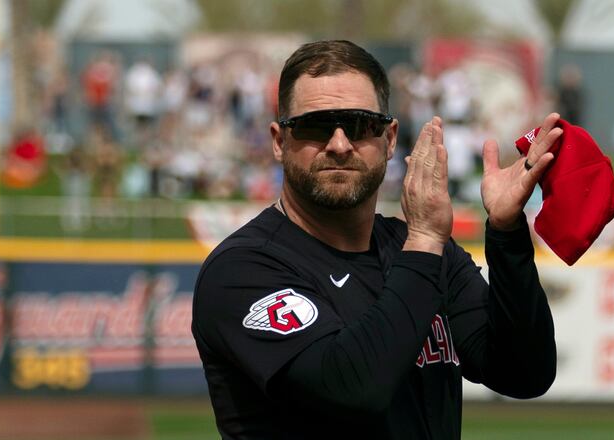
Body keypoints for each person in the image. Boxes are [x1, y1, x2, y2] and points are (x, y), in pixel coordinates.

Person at [191, 40, 559, 440]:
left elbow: (525, 373)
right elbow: (352, 389)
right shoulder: (242, 269)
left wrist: (506, 236)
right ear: (279, 141)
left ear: (388, 139)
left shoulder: (425, 249)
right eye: (315, 125)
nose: (338, 144)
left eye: (359, 124)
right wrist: (422, 239)